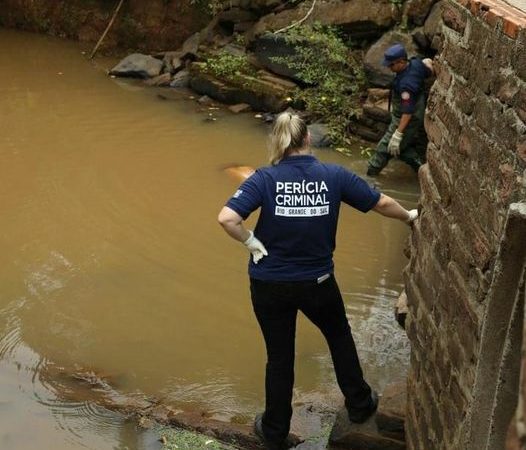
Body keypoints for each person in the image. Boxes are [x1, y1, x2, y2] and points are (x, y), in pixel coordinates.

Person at [218, 112, 418, 450]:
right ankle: (359, 404)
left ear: (278, 141)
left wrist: (251, 242)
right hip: (317, 282)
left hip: (269, 283)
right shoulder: (333, 175)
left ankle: (274, 431)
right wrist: (410, 216)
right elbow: (380, 203)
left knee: (279, 357)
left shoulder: (263, 179)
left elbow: (227, 218)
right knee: (339, 337)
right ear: (307, 138)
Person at [367, 43, 434, 176]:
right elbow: (429, 70)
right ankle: (421, 171)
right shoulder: (416, 64)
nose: (389, 68)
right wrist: (429, 63)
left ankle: (369, 177)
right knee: (400, 150)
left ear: (402, 62)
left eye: (391, 65)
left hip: (406, 118)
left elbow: (408, 112)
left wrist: (398, 134)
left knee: (383, 149)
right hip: (409, 113)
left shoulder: (406, 85)